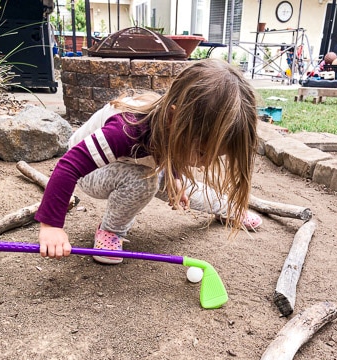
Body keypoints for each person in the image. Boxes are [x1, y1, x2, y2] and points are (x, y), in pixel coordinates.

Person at [35, 59, 261, 264]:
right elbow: (69, 166)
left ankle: (226, 208)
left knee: (184, 188)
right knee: (143, 181)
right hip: (92, 172)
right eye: (202, 153)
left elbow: (168, 149)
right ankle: (111, 231)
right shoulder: (126, 131)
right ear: (174, 119)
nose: (203, 164)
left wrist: (175, 178)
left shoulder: (172, 128)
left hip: (138, 163)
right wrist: (52, 226)